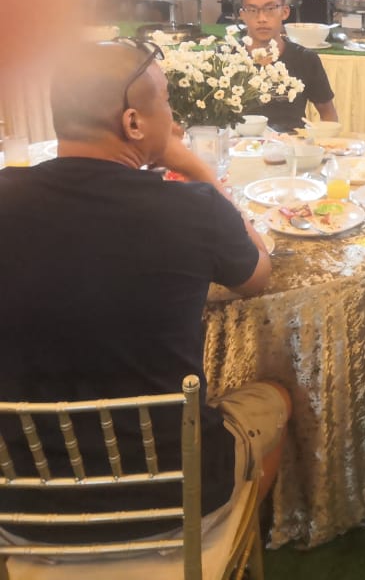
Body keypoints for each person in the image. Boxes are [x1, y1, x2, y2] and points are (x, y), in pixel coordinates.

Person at [0, 40, 290, 545]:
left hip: (21, 501)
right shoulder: (193, 207)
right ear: (133, 123)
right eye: (168, 103)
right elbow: (257, 276)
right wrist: (200, 170)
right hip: (175, 498)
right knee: (277, 396)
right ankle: (230, 549)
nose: (173, 119)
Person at [237, 0, 338, 132]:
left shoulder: (305, 59)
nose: (261, 18)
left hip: (292, 144)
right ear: (242, 15)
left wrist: (325, 141)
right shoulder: (224, 59)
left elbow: (328, 114)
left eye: (270, 9)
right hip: (238, 144)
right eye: (252, 10)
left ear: (285, 12)